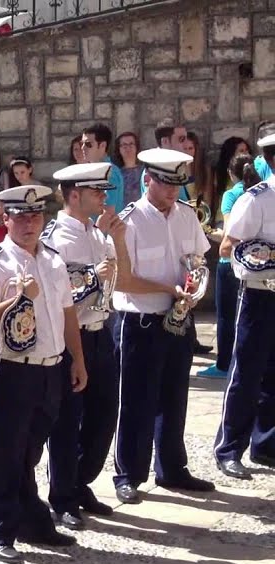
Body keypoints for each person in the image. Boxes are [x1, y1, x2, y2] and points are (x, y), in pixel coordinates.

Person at [0, 184, 87, 564]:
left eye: (35, 215)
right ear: (5, 219)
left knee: (29, 452)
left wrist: (77, 359)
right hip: (8, 368)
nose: (29, 223)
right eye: (20, 217)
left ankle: (31, 521)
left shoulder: (53, 259)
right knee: (3, 453)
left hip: (49, 368)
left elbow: (67, 313)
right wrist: (17, 296)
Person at [110, 148, 214, 503]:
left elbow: (198, 259)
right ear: (148, 180)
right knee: (136, 400)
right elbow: (121, 282)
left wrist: (194, 287)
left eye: (177, 184)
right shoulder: (130, 221)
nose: (173, 191)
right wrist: (168, 289)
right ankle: (128, 474)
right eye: (166, 183)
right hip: (140, 320)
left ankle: (172, 468)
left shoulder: (186, 215)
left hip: (179, 318)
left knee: (174, 397)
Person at [44, 163, 124, 528]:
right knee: (67, 422)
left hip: (100, 330)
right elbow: (54, 298)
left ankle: (81, 481)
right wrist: (92, 278)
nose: (103, 198)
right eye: (96, 192)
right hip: (70, 336)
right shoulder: (56, 238)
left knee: (104, 414)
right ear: (74, 194)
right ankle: (62, 496)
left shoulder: (96, 232)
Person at [215, 134, 275, 480]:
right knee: (246, 372)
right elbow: (228, 247)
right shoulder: (256, 200)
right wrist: (264, 256)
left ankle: (266, 444)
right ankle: (228, 449)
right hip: (259, 292)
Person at [200, 152, 259, 380]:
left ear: (230, 173)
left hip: (229, 262)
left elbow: (227, 232)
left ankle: (224, 363)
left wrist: (207, 232)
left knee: (225, 316)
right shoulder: (259, 193)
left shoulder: (231, 195)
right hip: (252, 264)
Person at [80, 123, 126, 213]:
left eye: (88, 144)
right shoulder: (89, 170)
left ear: (103, 145)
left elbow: (108, 212)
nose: (82, 147)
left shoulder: (110, 173)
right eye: (82, 143)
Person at [114, 132, 143, 207]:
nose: (128, 148)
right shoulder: (116, 174)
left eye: (131, 144)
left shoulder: (144, 171)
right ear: (119, 149)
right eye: (124, 145)